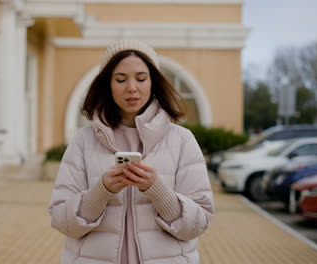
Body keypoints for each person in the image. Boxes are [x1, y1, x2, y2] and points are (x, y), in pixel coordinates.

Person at [48, 39, 214, 264]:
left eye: (141, 78)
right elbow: (61, 221)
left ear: (153, 82)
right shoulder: (83, 141)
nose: (132, 88)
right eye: (120, 79)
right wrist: (101, 191)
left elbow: (199, 222)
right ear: (108, 84)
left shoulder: (182, 140)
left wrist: (157, 190)